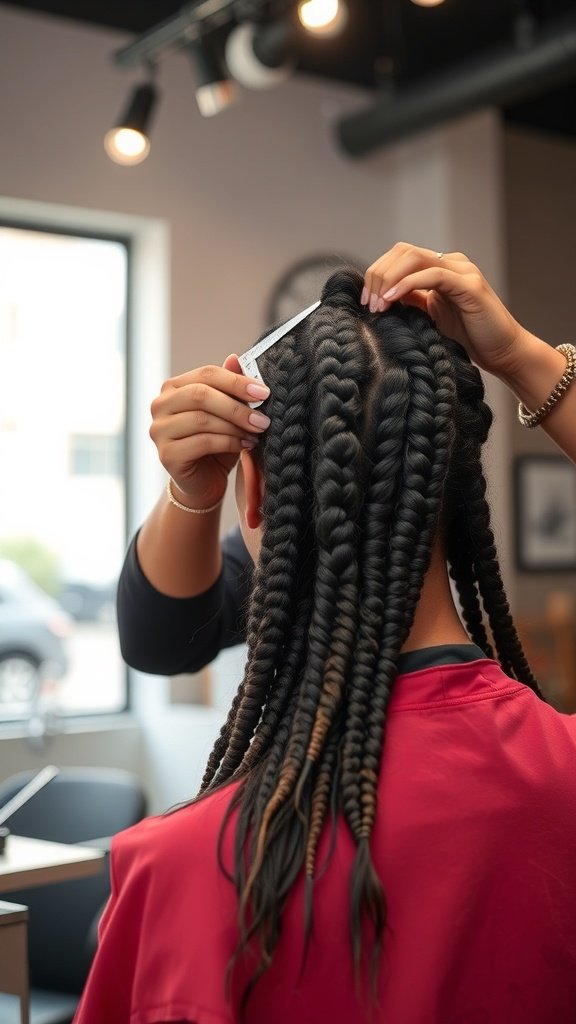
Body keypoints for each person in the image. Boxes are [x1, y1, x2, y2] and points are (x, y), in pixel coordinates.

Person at [77, 244, 576, 1024]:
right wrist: (523, 358)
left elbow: (157, 646)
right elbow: (161, 637)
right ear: (461, 490)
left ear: (253, 493)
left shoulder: (178, 872)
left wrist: (187, 495)